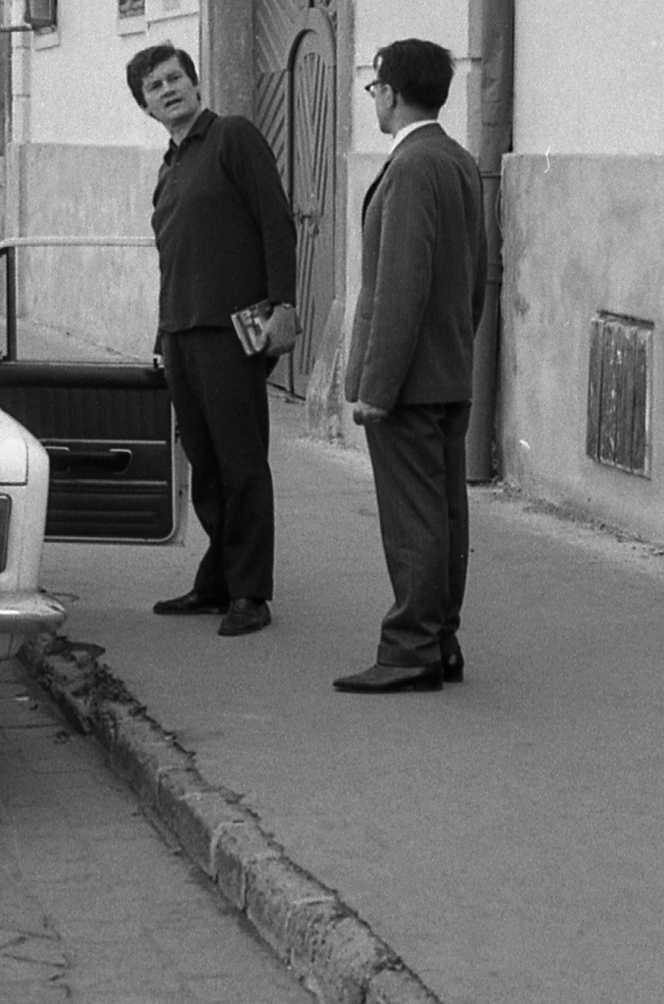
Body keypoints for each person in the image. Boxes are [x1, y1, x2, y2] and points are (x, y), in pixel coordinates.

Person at [126, 42, 297, 638]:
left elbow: (276, 221)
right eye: (155, 87)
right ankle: (217, 579)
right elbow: (175, 255)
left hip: (233, 331)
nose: (168, 90)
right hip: (181, 331)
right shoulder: (170, 166)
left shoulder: (233, 138)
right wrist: (160, 331)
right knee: (205, 464)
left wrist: (285, 306)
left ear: (196, 84)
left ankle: (251, 593)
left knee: (241, 461)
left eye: (175, 78)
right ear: (146, 107)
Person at [335, 39, 488, 693]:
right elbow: (475, 275)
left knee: (413, 520)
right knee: (444, 513)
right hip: (446, 368)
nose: (374, 98)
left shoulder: (410, 167)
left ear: (391, 93)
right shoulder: (456, 160)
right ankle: (440, 639)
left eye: (374, 88)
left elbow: (399, 286)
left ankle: (410, 648)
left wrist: (376, 387)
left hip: (409, 379)